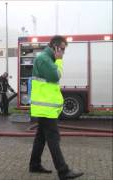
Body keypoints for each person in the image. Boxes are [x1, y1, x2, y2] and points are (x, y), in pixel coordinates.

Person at [29, 35, 83, 180]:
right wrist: (59, 60)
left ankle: (34, 165)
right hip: (46, 109)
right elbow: (55, 76)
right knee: (53, 138)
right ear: (55, 47)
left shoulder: (47, 59)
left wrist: (57, 59)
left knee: (41, 137)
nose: (63, 53)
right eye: (62, 49)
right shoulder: (45, 59)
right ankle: (63, 171)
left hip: (45, 108)